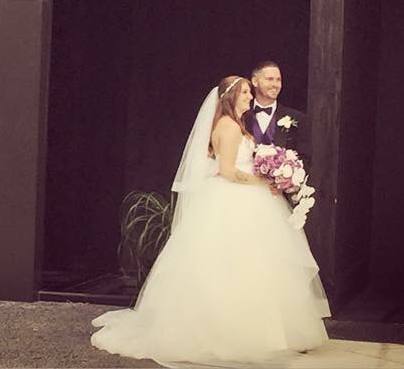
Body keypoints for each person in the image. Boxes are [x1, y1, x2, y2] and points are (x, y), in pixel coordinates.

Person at [90, 75, 330, 367]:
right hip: (233, 199)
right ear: (231, 97)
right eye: (244, 92)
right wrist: (263, 181)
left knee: (253, 266)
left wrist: (273, 170)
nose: (249, 96)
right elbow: (228, 171)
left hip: (240, 197)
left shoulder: (235, 124)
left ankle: (263, 332)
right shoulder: (229, 127)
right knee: (235, 265)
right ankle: (231, 334)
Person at [243, 60, 310, 164]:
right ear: (255, 81)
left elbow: (305, 160)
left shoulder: (298, 119)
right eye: (269, 79)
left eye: (278, 80)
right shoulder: (241, 115)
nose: (275, 84)